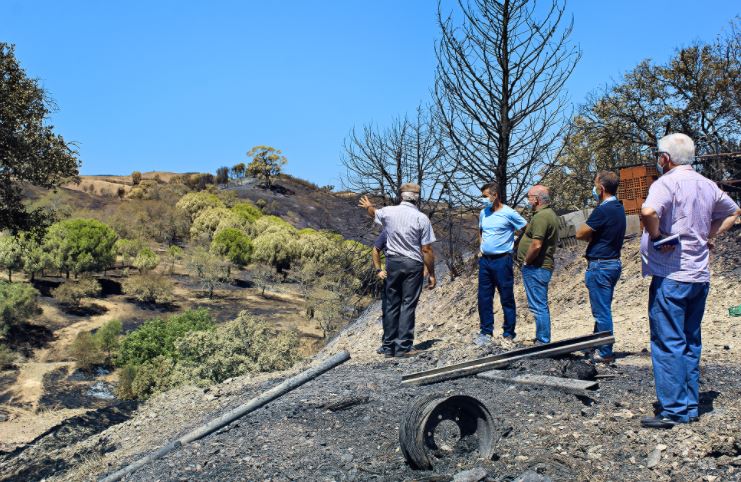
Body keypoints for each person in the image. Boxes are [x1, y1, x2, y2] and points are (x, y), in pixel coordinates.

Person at [638, 133, 740, 429]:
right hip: (699, 274)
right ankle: (690, 404)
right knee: (690, 340)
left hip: (672, 274)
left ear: (665, 158)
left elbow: (647, 211)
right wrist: (708, 235)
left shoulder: (666, 183)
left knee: (668, 340)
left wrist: (657, 237)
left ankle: (675, 410)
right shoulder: (708, 185)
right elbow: (734, 212)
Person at [358, 184, 436, 358]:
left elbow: (374, 214)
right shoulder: (421, 218)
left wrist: (369, 206)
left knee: (392, 304)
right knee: (408, 304)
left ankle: (389, 347)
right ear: (417, 197)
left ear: (401, 196)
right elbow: (427, 250)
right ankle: (404, 347)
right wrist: (431, 273)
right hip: (412, 264)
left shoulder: (389, 212)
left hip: (392, 263)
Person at [576, 171, 627, 362]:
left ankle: (605, 352)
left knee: (601, 311)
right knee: (602, 308)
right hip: (612, 263)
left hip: (600, 265)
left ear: (601, 188)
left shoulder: (603, 210)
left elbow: (580, 233)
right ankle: (597, 344)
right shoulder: (618, 208)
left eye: (595, 184)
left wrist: (590, 233)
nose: (594, 188)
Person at [475, 181, 527, 347]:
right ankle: (485, 332)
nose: (483, 199)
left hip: (502, 260)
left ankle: (508, 332)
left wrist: (514, 245)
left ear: (495, 195)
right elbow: (481, 231)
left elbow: (526, 229)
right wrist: (481, 247)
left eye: (485, 196)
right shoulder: (484, 213)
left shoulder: (509, 213)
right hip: (485, 261)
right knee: (484, 298)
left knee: (506, 297)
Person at [516, 185, 559, 344]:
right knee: (539, 304)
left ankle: (543, 341)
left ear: (537, 198)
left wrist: (527, 261)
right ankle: (542, 338)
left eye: (529, 197)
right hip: (540, 267)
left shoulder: (542, 217)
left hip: (536, 267)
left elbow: (536, 245)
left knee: (538, 306)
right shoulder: (547, 214)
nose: (528, 200)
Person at [372, 229, 388, 354]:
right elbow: (376, 249)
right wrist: (379, 270)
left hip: (409, 277)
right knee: (388, 310)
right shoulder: (387, 231)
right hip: (391, 276)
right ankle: (387, 344)